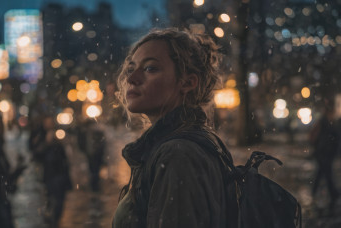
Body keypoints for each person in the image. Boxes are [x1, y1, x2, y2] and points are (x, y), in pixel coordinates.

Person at [112, 28, 237, 227]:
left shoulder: (177, 154)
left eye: (150, 68)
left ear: (187, 82)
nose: (131, 79)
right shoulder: (182, 144)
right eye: (130, 69)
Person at [309, 97, 340, 214]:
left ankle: (316, 191)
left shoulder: (329, 122)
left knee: (322, 172)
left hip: (326, 153)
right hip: (324, 153)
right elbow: (317, 137)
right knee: (326, 173)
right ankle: (334, 193)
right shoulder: (325, 122)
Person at [42, 124, 73, 227]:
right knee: (52, 199)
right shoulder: (47, 149)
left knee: (57, 200)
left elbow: (66, 164)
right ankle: (52, 218)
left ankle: (54, 218)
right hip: (53, 178)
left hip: (58, 178)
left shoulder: (60, 148)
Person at [77, 119, 106, 192]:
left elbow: (102, 144)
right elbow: (81, 143)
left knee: (95, 171)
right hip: (90, 155)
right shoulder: (84, 133)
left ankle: (95, 186)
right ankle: (94, 186)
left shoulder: (98, 132)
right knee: (92, 171)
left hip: (96, 155)